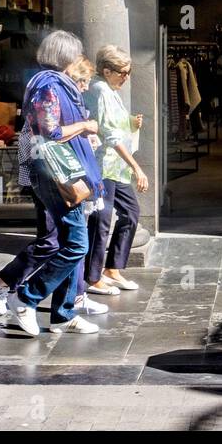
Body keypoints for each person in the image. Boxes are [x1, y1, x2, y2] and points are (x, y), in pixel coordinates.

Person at [0, 29, 104, 336]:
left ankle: (63, 313)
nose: (77, 59)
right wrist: (86, 125)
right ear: (64, 56)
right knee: (76, 245)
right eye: (75, 53)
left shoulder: (54, 85)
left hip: (61, 172)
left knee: (67, 242)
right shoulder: (49, 86)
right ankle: (26, 297)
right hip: (57, 175)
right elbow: (52, 132)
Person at [83, 45, 149, 296]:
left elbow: (110, 125)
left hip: (114, 166)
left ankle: (112, 268)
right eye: (123, 72)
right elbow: (108, 134)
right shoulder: (100, 90)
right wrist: (136, 168)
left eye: (128, 71)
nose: (126, 77)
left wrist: (131, 123)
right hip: (104, 166)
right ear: (107, 70)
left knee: (130, 213)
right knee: (101, 220)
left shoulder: (108, 89)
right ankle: (93, 276)